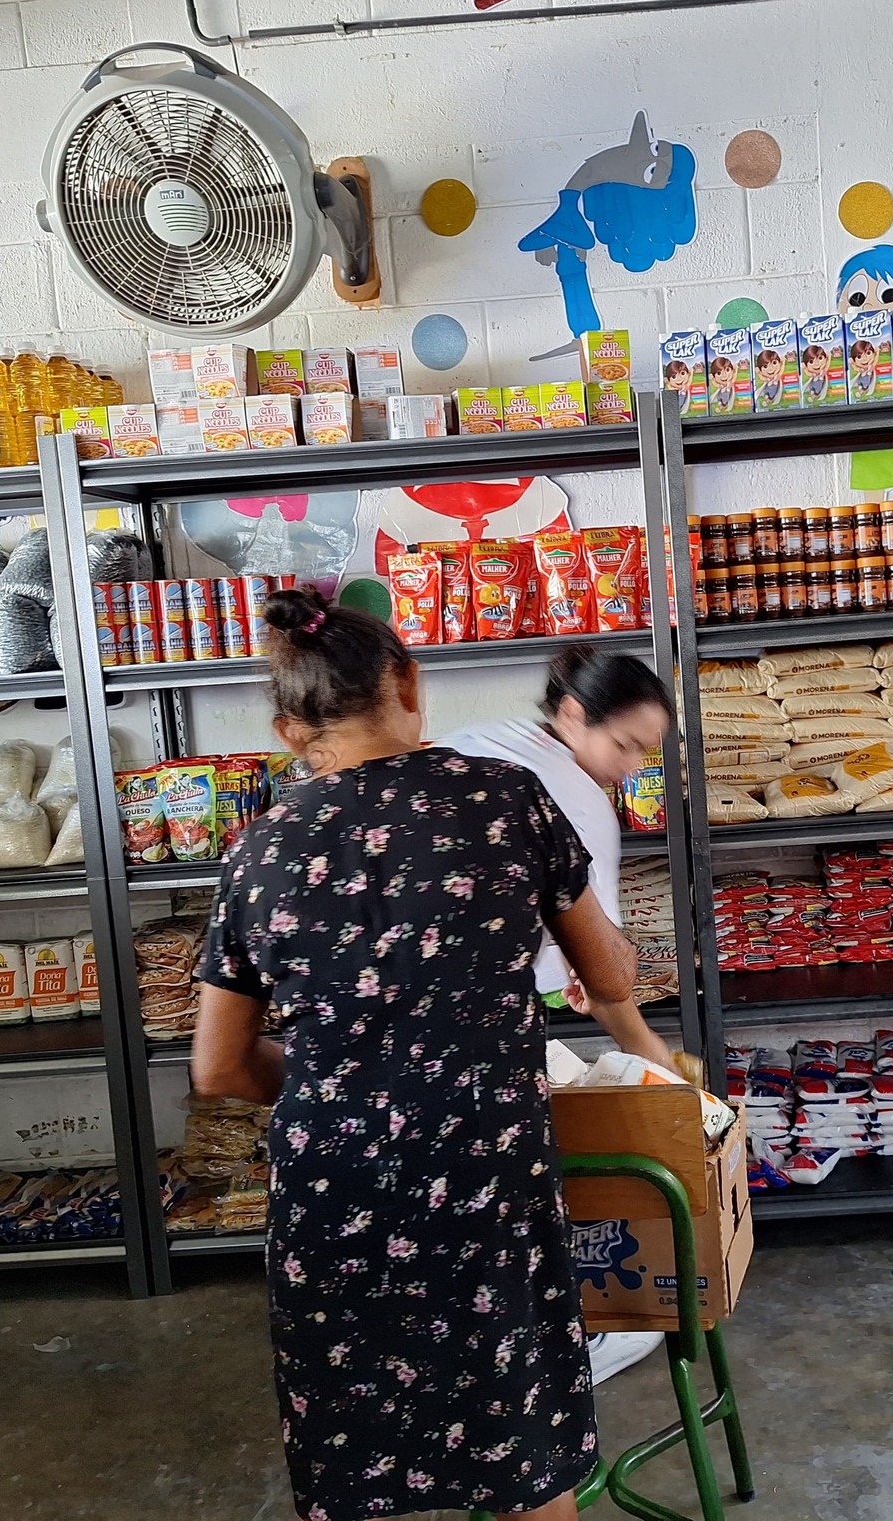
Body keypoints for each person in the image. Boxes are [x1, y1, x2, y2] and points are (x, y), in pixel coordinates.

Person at [192, 589, 635, 1521]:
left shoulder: (259, 851)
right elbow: (608, 976)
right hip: (485, 1166)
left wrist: (339, 1082)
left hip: (333, 1179)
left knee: (351, 1442)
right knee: (522, 1438)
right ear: (408, 683)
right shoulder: (504, 798)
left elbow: (218, 1070)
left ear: (288, 731)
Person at [442, 643, 676, 1067]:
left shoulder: (484, 738)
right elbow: (602, 966)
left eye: (644, 751)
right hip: (475, 1011)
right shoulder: (579, 800)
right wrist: (652, 1054)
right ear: (572, 714)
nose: (634, 767)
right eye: (624, 745)